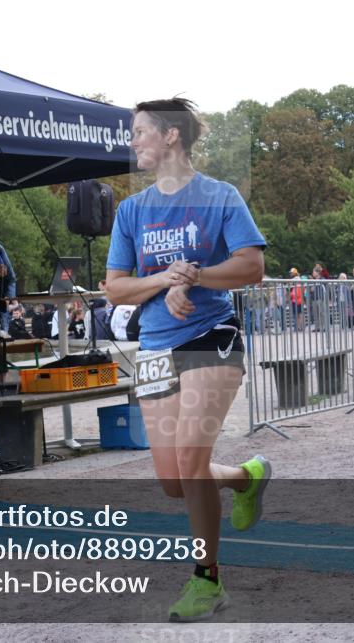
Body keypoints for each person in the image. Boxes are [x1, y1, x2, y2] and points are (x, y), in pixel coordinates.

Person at [105, 98, 269, 622]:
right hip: (155, 346)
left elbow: (251, 266)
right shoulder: (132, 210)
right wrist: (164, 279)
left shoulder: (219, 197)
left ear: (171, 135)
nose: (133, 141)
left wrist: (195, 276)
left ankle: (207, 580)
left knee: (192, 462)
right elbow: (115, 288)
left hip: (209, 336)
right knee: (174, 480)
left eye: (140, 131)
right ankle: (245, 477)